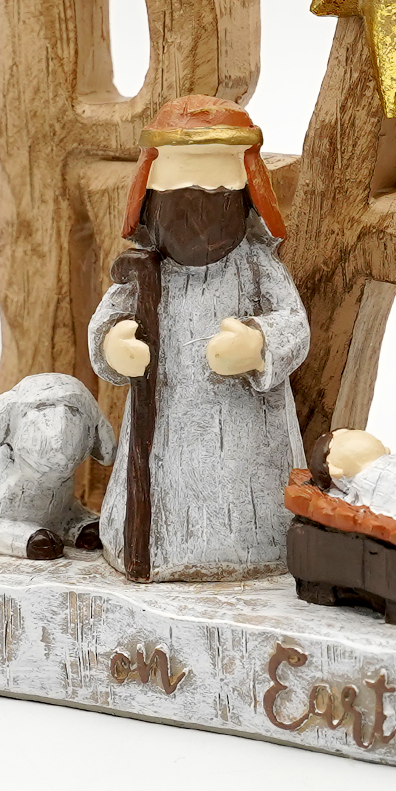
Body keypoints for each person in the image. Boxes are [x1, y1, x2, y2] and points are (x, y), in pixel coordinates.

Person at [88, 95, 308, 580]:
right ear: (150, 202)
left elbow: (294, 323)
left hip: (245, 437)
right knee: (164, 489)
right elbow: (107, 319)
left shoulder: (256, 266)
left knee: (240, 498)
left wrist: (259, 345)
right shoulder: (146, 270)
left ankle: (247, 549)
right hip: (161, 440)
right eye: (179, 198)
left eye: (216, 196)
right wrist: (113, 345)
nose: (196, 214)